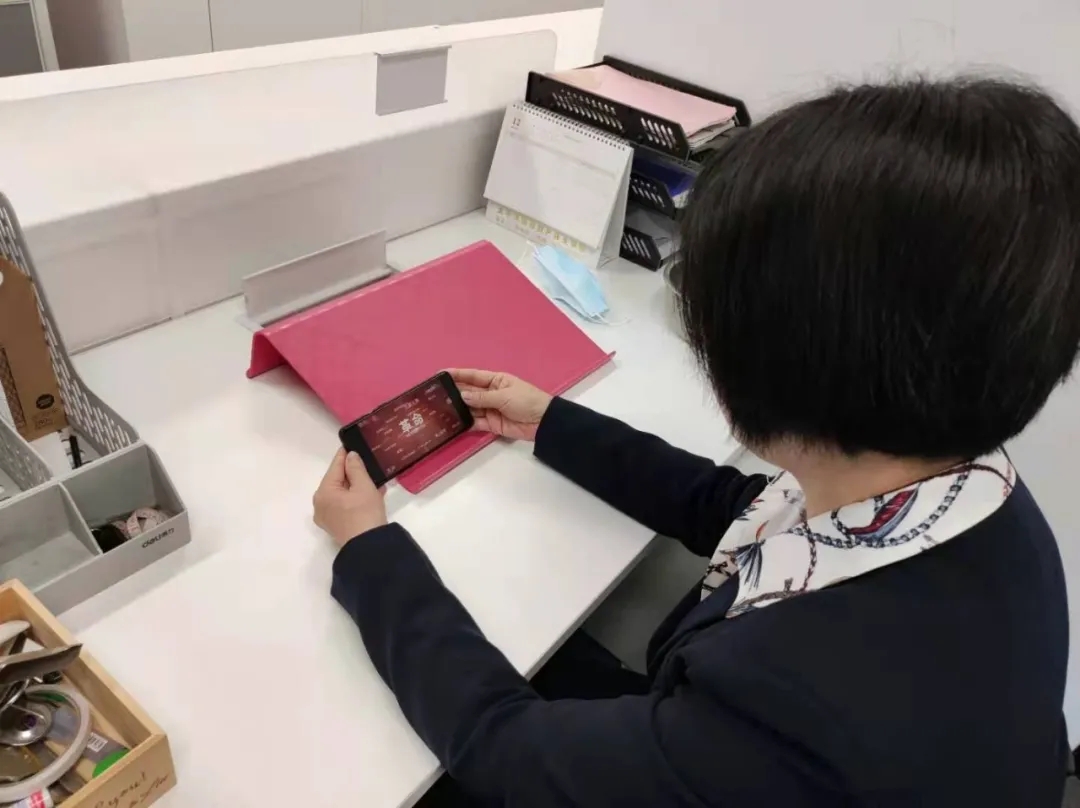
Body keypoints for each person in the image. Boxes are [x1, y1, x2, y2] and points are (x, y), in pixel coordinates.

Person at [313, 78, 1080, 806]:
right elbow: (742, 506)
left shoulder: (789, 710)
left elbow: (508, 757)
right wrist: (551, 422)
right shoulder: (975, 492)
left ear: (785, 360)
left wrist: (369, 556)